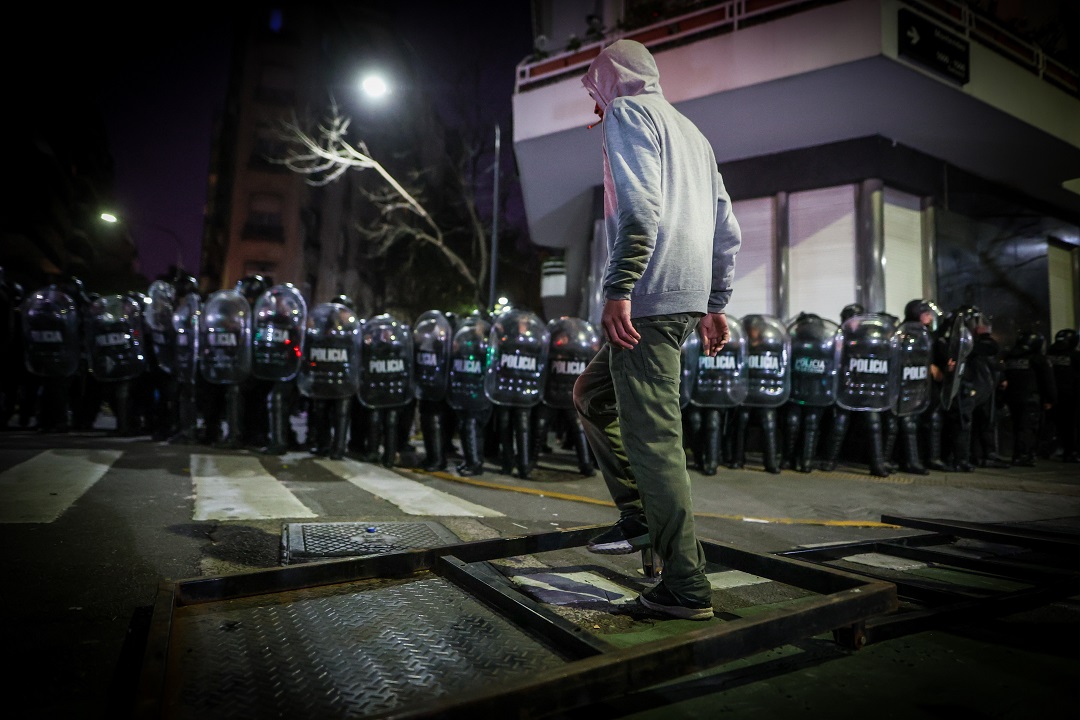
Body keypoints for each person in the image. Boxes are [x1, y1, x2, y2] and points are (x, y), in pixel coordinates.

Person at [573, 40, 741, 621]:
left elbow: (639, 210)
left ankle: (686, 586)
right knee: (591, 395)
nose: (595, 105)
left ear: (609, 78)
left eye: (595, 90)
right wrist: (715, 303)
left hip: (647, 300)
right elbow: (728, 230)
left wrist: (618, 287)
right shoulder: (694, 134)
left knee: (655, 441)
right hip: (683, 301)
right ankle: (640, 518)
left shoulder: (628, 113)